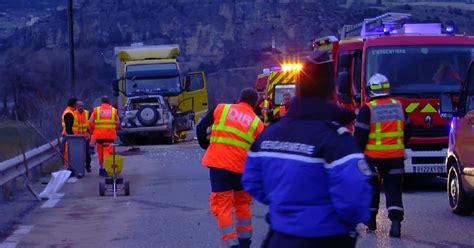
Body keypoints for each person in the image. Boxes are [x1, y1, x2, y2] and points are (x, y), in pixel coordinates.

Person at [242, 51, 372, 248]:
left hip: (279, 238)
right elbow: (355, 201)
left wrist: (284, 205)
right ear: (332, 91)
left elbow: (252, 182)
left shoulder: (268, 136)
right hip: (327, 239)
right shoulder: (337, 141)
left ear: (298, 90)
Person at [196, 88, 264, 248]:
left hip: (219, 166)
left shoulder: (222, 109)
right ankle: (245, 242)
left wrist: (206, 145)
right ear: (255, 104)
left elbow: (200, 128)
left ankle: (232, 244)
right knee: (242, 204)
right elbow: (258, 151)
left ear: (239, 98)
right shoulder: (257, 123)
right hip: (242, 169)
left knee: (223, 205)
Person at [354, 73, 411, 238]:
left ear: (371, 90)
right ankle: (395, 224)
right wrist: (401, 144)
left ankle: (371, 221)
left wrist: (358, 154)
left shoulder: (368, 109)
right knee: (394, 189)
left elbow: (360, 134)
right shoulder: (398, 106)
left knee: (371, 188)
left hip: (372, 158)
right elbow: (408, 129)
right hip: (395, 157)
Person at [89, 96, 120, 177]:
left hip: (99, 135)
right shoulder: (113, 110)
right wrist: (114, 129)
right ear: (108, 101)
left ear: (101, 101)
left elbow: (90, 122)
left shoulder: (97, 110)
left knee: (100, 152)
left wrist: (92, 131)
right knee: (108, 152)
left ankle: (101, 168)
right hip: (109, 135)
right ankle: (107, 169)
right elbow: (117, 123)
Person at [74, 101, 92, 173]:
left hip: (85, 137)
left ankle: (88, 167)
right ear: (76, 106)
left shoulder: (87, 113)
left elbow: (90, 124)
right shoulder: (74, 114)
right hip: (77, 137)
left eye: (82, 106)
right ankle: (79, 168)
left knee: (87, 153)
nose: (80, 107)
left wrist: (89, 132)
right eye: (79, 106)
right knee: (78, 154)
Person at [61, 97, 78, 169]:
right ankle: (68, 168)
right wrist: (71, 137)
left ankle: (70, 167)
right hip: (69, 137)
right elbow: (68, 127)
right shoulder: (68, 113)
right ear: (73, 104)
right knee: (68, 153)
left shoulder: (71, 111)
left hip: (71, 136)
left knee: (70, 153)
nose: (77, 106)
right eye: (76, 104)